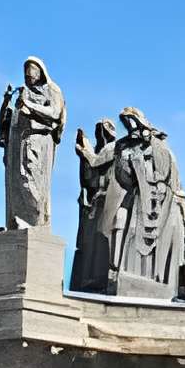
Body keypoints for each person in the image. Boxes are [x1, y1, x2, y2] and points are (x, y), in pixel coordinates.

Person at [113, 108, 185, 296]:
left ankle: (157, 281)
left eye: (133, 122)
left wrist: (157, 185)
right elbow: (124, 177)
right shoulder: (127, 148)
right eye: (126, 123)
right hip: (140, 200)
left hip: (162, 202)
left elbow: (165, 174)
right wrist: (124, 160)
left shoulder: (158, 146)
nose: (130, 127)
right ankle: (135, 278)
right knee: (132, 233)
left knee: (159, 243)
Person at [0, 57, 66, 231]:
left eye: (32, 73)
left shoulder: (52, 90)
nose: (28, 77)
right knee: (16, 182)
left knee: (31, 180)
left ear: (40, 72)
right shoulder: (23, 92)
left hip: (37, 142)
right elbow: (8, 118)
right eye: (26, 75)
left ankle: (36, 221)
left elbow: (55, 113)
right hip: (16, 145)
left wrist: (29, 105)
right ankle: (17, 220)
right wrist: (7, 101)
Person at [71, 117, 125, 293]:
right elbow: (89, 179)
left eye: (101, 131)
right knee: (91, 244)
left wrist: (84, 150)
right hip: (96, 202)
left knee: (102, 242)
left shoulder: (113, 148)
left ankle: (101, 279)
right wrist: (83, 154)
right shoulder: (99, 149)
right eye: (97, 131)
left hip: (108, 201)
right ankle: (90, 280)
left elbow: (95, 162)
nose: (99, 135)